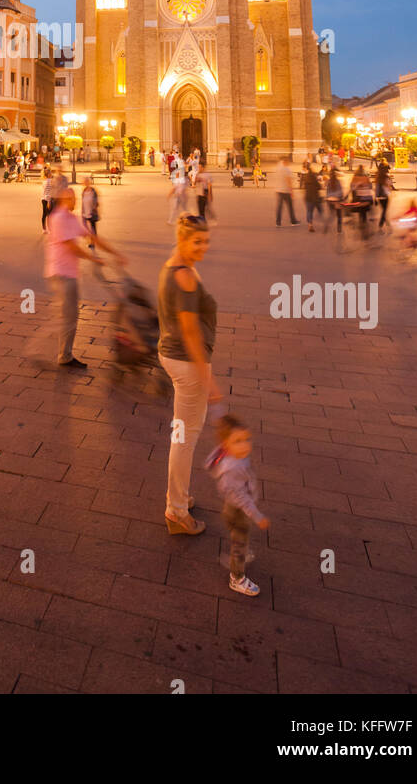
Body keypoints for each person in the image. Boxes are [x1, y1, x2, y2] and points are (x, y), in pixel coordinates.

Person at [158, 214, 220, 536]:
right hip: (188, 363)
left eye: (206, 240)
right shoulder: (184, 276)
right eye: (197, 241)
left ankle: (178, 499)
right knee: (184, 438)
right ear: (182, 240)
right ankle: (176, 512)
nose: (204, 247)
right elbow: (191, 333)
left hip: (174, 357)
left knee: (182, 435)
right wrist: (208, 380)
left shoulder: (175, 266)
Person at [38, 186, 125, 368]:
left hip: (69, 273)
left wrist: (115, 253)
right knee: (68, 317)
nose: (76, 201)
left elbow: (92, 237)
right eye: (72, 198)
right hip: (61, 274)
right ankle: (55, 354)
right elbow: (72, 247)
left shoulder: (71, 218)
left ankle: (60, 353)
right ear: (64, 200)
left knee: (67, 316)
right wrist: (93, 258)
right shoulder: (59, 218)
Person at [205, 412, 269, 597]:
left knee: (239, 536)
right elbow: (242, 498)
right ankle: (237, 578)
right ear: (227, 445)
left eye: (246, 439)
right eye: (238, 441)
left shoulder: (228, 454)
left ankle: (239, 552)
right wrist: (258, 516)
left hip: (231, 508)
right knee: (239, 542)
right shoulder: (233, 469)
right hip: (240, 511)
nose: (244, 445)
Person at [271, 157, 298, 225]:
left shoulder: (278, 167)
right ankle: (293, 221)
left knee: (279, 206)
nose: (289, 164)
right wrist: (292, 191)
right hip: (286, 191)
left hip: (278, 190)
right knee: (290, 206)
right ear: (286, 162)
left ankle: (278, 222)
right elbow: (288, 181)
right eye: (288, 162)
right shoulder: (286, 169)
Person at [301, 165, 323, 232]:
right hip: (315, 197)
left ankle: (310, 224)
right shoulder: (314, 179)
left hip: (308, 197)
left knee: (309, 211)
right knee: (320, 209)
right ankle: (321, 219)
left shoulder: (306, 178)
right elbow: (319, 187)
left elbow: (304, 188)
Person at [325, 165, 344, 235]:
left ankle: (327, 225)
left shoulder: (328, 182)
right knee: (339, 215)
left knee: (331, 214)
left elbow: (327, 192)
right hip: (336, 200)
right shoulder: (338, 181)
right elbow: (340, 191)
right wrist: (341, 199)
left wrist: (327, 199)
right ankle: (339, 230)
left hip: (329, 200)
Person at [81, 175, 99, 245]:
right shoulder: (84, 191)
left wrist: (94, 207)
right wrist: (82, 211)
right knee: (86, 228)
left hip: (92, 212)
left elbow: (96, 201)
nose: (85, 183)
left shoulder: (93, 191)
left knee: (93, 228)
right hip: (85, 212)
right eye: (84, 182)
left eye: (87, 182)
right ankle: (91, 239)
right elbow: (83, 202)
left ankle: (93, 242)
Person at [374, 159, 392, 230]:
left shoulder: (378, 177)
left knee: (384, 210)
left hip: (379, 197)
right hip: (385, 196)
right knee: (384, 211)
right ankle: (381, 224)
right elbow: (390, 185)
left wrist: (375, 198)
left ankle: (387, 223)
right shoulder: (386, 177)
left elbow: (377, 189)